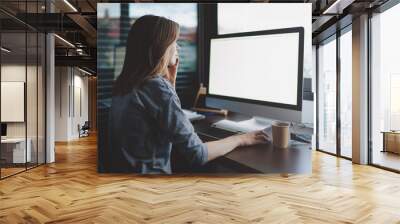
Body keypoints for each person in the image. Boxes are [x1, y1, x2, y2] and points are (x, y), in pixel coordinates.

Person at [110, 15, 269, 174]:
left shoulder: (124, 83)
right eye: (174, 42)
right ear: (160, 48)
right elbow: (198, 154)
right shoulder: (156, 87)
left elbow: (159, 116)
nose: (177, 48)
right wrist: (242, 138)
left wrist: (170, 83)